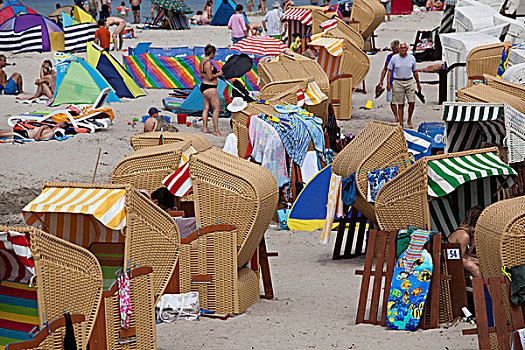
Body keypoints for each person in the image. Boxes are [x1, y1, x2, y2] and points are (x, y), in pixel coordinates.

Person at [386, 42, 421, 129]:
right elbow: (389, 71)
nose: (403, 50)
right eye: (401, 48)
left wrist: (418, 83)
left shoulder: (411, 58)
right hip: (398, 81)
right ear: (399, 49)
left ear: (407, 49)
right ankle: (401, 122)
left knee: (411, 102)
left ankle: (409, 119)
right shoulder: (394, 58)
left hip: (409, 81)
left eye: (404, 48)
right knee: (400, 104)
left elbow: (415, 71)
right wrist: (388, 83)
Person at [448, 206, 483, 279]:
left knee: (477, 262)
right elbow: (460, 258)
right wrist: (476, 262)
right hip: (449, 261)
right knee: (471, 266)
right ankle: (486, 287)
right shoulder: (464, 235)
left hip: (454, 258)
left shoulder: (465, 231)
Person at [199, 44, 223, 136]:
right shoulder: (208, 63)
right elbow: (210, 77)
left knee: (206, 108)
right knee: (217, 109)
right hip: (210, 88)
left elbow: (202, 75)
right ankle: (216, 130)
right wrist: (218, 74)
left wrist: (213, 73)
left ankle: (205, 128)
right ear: (212, 53)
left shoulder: (202, 62)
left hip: (203, 86)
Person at [378, 40, 400, 122]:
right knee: (392, 100)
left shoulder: (403, 57)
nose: (396, 51)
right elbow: (385, 70)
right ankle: (396, 116)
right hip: (391, 81)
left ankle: (399, 115)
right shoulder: (389, 57)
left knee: (401, 101)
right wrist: (381, 81)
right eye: (394, 49)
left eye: (397, 49)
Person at [0, 122, 68, 140]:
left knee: (1, 135)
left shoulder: (51, 133)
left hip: (24, 136)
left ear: (60, 125)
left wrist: (41, 128)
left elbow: (38, 138)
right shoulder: (49, 128)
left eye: (60, 122)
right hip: (24, 132)